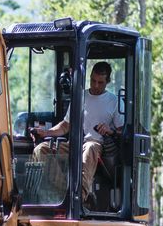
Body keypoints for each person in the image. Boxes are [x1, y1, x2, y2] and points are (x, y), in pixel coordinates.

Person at [32, 61, 122, 205]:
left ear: (108, 82)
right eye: (93, 81)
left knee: (90, 148)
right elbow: (66, 125)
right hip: (74, 144)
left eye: (100, 82)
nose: (96, 85)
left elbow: (120, 130)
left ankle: (79, 197)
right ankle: (66, 190)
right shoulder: (80, 97)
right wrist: (46, 132)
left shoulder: (114, 101)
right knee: (40, 149)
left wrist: (109, 130)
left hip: (97, 145)